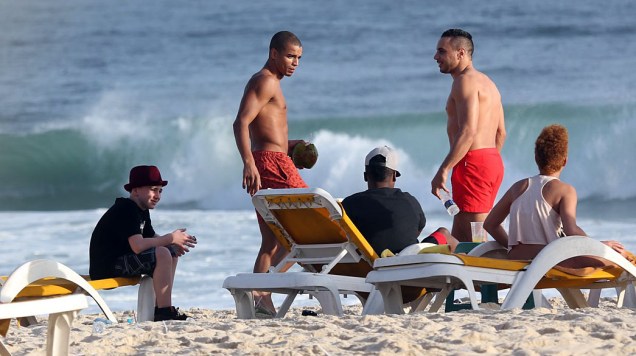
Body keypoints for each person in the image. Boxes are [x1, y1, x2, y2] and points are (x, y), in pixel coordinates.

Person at [232, 31, 309, 316]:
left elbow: (266, 133)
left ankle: (260, 297)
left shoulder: (270, 82)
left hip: (273, 158)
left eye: (299, 58)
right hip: (271, 163)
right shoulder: (265, 80)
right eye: (290, 56)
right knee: (308, 231)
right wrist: (249, 162)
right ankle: (263, 289)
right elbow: (240, 123)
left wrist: (292, 146)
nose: (295, 63)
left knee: (272, 240)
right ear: (274, 53)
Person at [483, 125, 631, 267]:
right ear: (565, 161)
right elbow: (571, 230)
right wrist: (597, 246)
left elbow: (490, 224)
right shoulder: (565, 190)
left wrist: (511, 246)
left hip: (516, 258)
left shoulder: (517, 188)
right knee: (618, 256)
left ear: (536, 158)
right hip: (548, 260)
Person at [89, 165, 197, 321]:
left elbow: (151, 236)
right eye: (153, 189)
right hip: (106, 268)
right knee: (162, 253)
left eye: (160, 191)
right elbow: (138, 246)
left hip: (121, 260)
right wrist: (170, 238)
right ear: (135, 190)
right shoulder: (126, 209)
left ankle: (162, 307)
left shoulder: (141, 210)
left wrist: (172, 244)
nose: (157, 195)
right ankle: (164, 312)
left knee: (170, 253)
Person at [430, 28, 507, 242]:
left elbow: (468, 130)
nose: (436, 57)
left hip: (472, 164)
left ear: (461, 53)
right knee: (463, 236)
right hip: (490, 161)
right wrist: (486, 162)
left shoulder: (464, 82)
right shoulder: (489, 84)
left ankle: (513, 263)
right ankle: (459, 273)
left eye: (441, 51)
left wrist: (444, 170)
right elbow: (501, 133)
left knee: (478, 236)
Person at [342, 146, 459, 256]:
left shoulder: (348, 204)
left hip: (369, 263)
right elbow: (416, 230)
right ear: (393, 176)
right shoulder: (410, 201)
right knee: (444, 233)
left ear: (365, 176)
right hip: (410, 262)